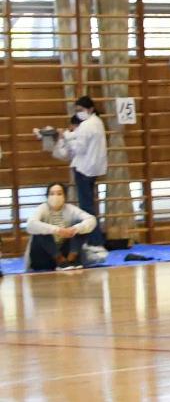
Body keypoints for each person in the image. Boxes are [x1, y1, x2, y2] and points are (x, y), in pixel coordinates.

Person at [56, 95, 108, 252]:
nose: (79, 113)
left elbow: (79, 147)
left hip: (84, 168)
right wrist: (67, 135)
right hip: (93, 168)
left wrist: (65, 138)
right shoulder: (97, 122)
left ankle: (95, 240)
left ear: (90, 109)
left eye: (81, 109)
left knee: (86, 207)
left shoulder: (86, 125)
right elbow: (78, 136)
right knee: (89, 205)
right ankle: (94, 239)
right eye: (77, 110)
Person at [25, 181, 96, 272]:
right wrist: (57, 230)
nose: (55, 196)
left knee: (81, 227)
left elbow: (91, 220)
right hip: (44, 258)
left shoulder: (70, 209)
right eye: (52, 194)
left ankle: (72, 258)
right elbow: (31, 225)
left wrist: (75, 229)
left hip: (65, 252)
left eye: (59, 193)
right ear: (47, 196)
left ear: (65, 196)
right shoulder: (42, 208)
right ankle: (59, 259)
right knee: (40, 230)